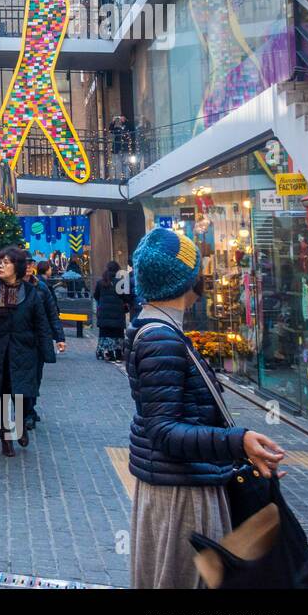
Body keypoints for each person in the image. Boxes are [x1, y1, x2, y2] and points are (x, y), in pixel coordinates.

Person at [125, 227, 286, 589]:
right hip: (181, 494)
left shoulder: (158, 331)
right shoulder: (161, 339)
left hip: (181, 483)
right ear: (186, 281)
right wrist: (238, 441)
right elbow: (164, 430)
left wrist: (241, 456)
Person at [0, 247, 51, 457]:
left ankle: (21, 425)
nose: (1, 265)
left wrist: (47, 350)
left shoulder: (31, 293)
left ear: (17, 266)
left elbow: (40, 323)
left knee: (23, 396)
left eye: (6, 262)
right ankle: (5, 438)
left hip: (23, 353)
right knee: (0, 397)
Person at [29, 261, 66, 427]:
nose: (28, 267)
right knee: (22, 377)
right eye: (25, 264)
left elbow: (52, 313)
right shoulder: (13, 288)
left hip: (38, 339)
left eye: (31, 264)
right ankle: (27, 412)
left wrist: (60, 338)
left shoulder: (41, 287)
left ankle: (30, 407)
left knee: (36, 375)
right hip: (20, 340)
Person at [93, 260, 131, 362]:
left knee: (105, 333)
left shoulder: (101, 282)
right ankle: (118, 354)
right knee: (118, 334)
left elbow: (95, 296)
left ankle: (106, 352)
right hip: (118, 314)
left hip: (104, 314)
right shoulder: (122, 282)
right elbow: (126, 298)